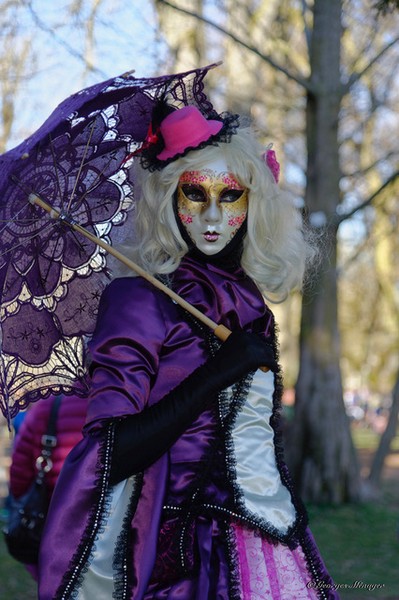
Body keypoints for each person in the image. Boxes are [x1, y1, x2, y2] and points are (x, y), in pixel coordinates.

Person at [38, 104, 338, 599]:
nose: (214, 216)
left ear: (253, 202)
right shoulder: (139, 300)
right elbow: (110, 450)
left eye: (231, 195)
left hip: (268, 545)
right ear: (166, 199)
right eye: (195, 195)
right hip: (176, 559)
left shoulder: (247, 301)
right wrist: (217, 374)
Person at [8, 394, 89, 579]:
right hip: (116, 527)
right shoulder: (131, 404)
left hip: (54, 526)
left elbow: (19, 478)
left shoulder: (48, 407)